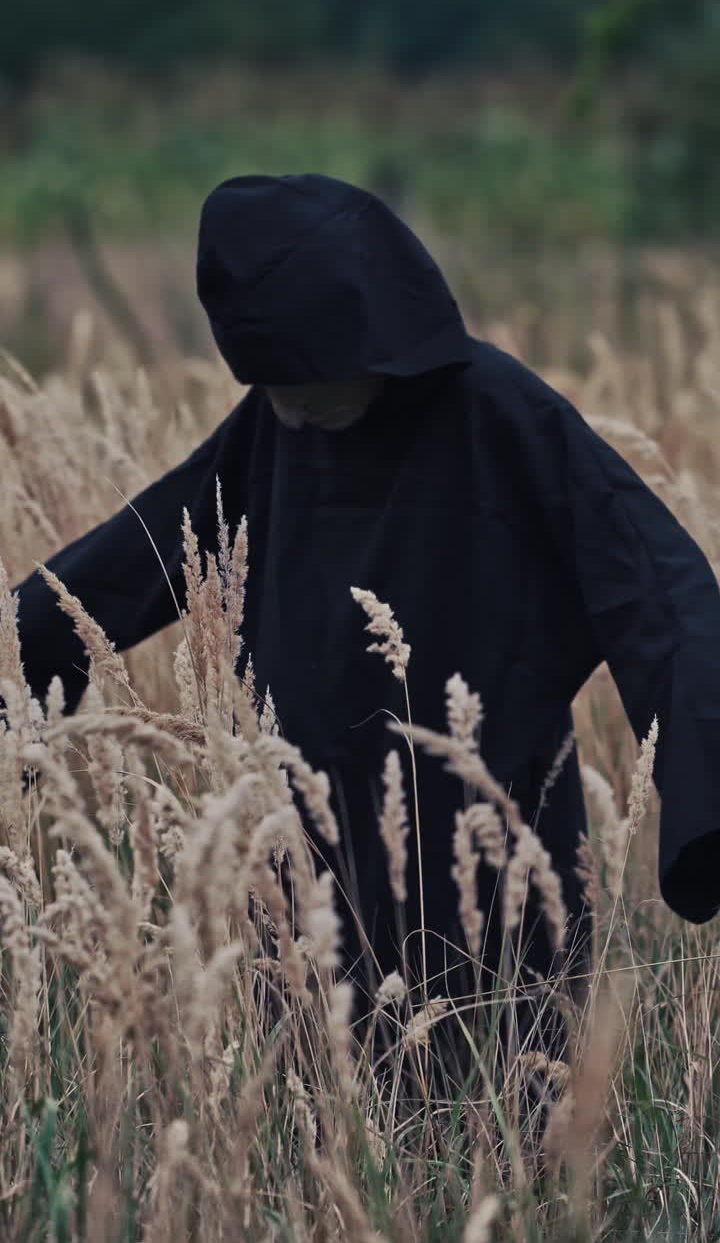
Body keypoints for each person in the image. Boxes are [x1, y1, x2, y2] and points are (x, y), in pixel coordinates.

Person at [12, 174, 720, 1067]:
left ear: (376, 343)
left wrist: (704, 798)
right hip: (312, 844)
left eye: (309, 381)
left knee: (508, 1097)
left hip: (492, 833)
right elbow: (125, 565)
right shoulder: (269, 434)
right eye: (269, 384)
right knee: (327, 1103)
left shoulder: (499, 414)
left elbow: (657, 586)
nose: (292, 406)